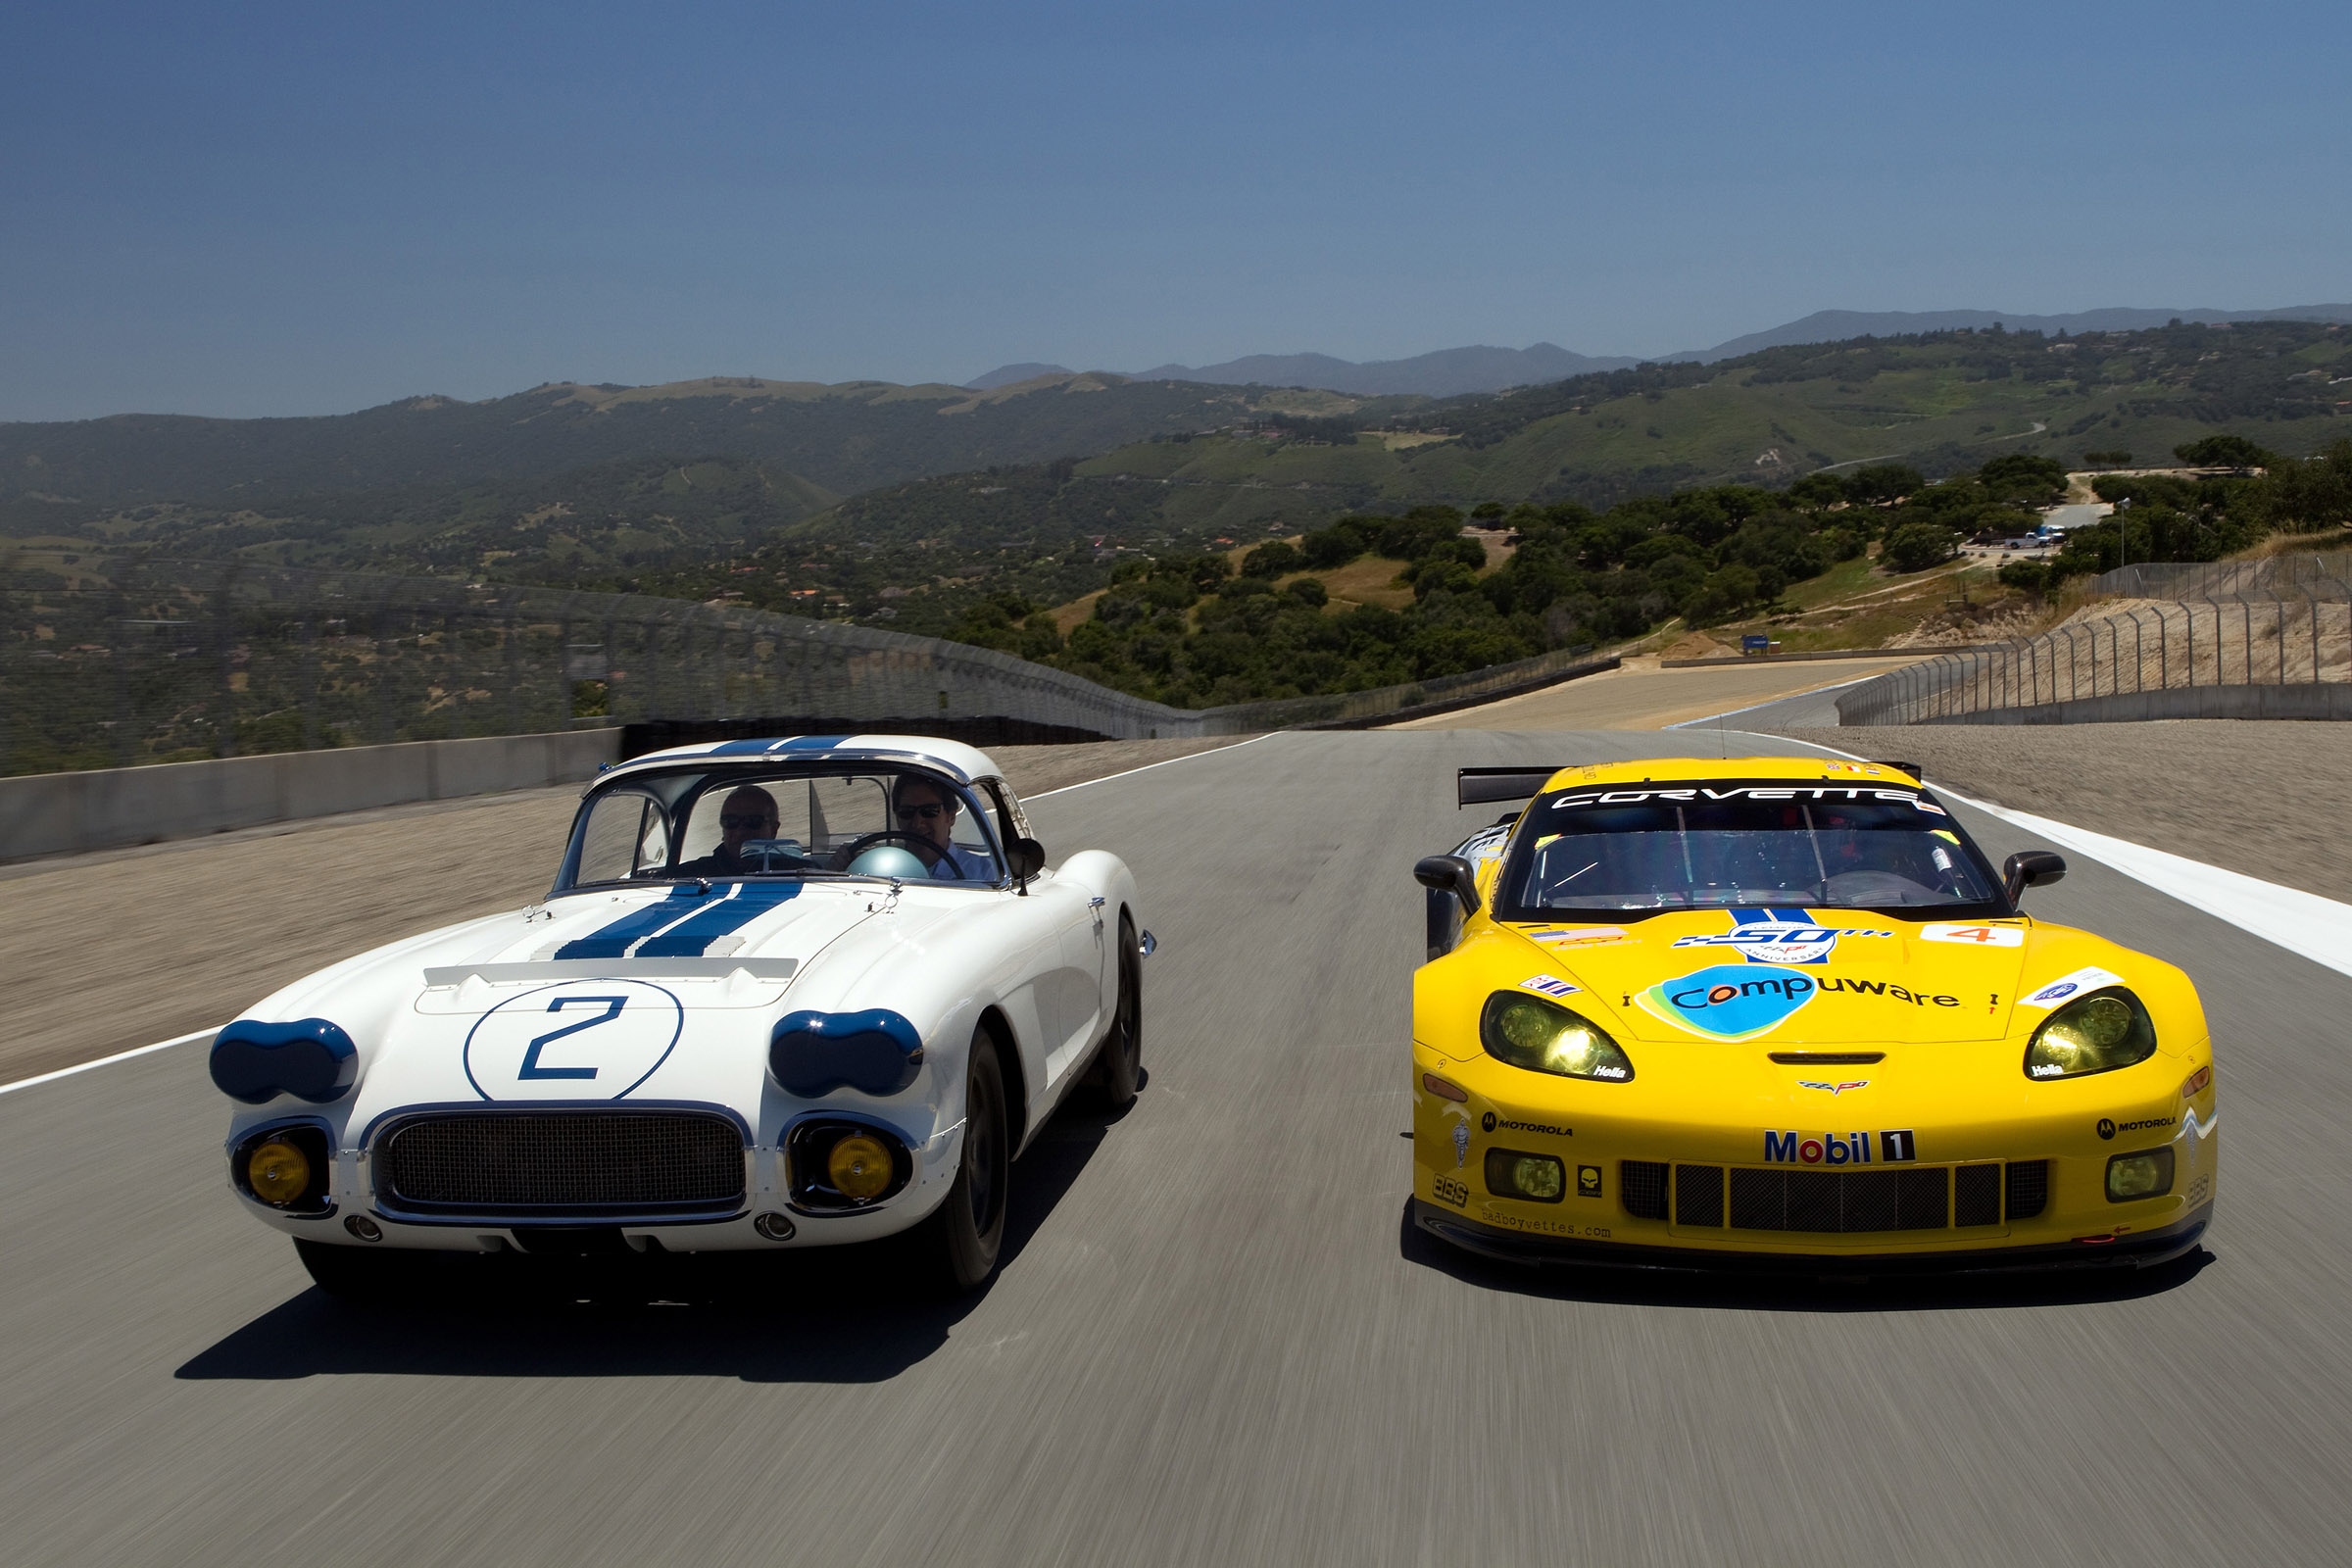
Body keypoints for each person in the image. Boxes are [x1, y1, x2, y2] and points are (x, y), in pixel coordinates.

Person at [888, 775, 997, 881]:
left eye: (930, 810)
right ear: (897, 818)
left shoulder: (985, 874)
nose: (917, 823)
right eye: (906, 812)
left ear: (951, 816)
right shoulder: (881, 871)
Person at [673, 785, 784, 877]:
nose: (740, 831)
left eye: (753, 821)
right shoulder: (689, 877)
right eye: (730, 821)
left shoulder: (796, 873)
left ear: (773, 829)